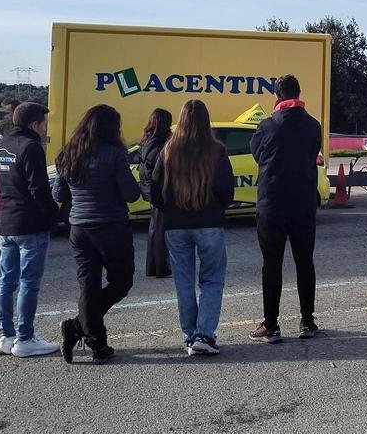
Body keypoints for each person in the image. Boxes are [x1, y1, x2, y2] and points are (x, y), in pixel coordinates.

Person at [53, 104, 140, 365]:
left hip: (79, 229)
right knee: (121, 282)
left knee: (88, 285)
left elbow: (58, 194)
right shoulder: (114, 154)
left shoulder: (69, 153)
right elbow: (131, 194)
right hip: (111, 226)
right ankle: (79, 328)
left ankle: (95, 341)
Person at [150, 100, 234, 356]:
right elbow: (226, 192)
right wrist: (214, 206)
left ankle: (189, 334)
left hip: (176, 224)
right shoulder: (217, 150)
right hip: (209, 222)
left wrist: (171, 208)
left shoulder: (168, 150)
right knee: (212, 280)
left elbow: (155, 191)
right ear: (206, 121)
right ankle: (204, 334)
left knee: (183, 282)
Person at [249, 74, 322, 343]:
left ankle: (271, 325)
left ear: (277, 96)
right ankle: (307, 320)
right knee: (305, 262)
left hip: (273, 205)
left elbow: (257, 154)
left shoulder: (267, 126)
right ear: (299, 93)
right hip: (303, 203)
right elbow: (314, 150)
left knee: (272, 265)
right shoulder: (314, 125)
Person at [0, 102, 59, 357]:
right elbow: (39, 189)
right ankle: (25, 338)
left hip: (7, 220)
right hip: (30, 224)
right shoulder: (31, 147)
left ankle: (6, 336)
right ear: (34, 124)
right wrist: (53, 214)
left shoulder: (3, 145)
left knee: (6, 282)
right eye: (44, 122)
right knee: (29, 283)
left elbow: (3, 184)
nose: (45, 127)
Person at [137, 108, 173, 278]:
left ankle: (152, 266)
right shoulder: (162, 144)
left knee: (155, 228)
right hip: (159, 189)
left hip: (148, 188)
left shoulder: (146, 141)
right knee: (160, 230)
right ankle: (161, 267)